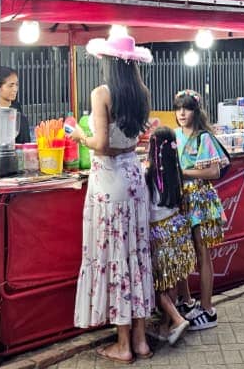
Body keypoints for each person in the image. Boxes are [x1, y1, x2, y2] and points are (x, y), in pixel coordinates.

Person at [73, 34, 155, 364]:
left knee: (118, 256)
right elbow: (134, 137)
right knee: (135, 255)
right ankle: (141, 340)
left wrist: (79, 135)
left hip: (109, 182)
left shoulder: (101, 94)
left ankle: (123, 345)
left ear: (108, 61)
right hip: (134, 179)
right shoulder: (142, 93)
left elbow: (102, 143)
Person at [173, 88, 228, 331]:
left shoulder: (203, 138)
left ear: (196, 111)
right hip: (180, 200)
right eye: (178, 108)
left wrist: (184, 172)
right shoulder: (174, 135)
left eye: (187, 108)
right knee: (184, 254)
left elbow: (214, 172)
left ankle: (208, 309)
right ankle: (186, 302)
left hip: (200, 199)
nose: (182, 113)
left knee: (202, 253)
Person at [144, 126, 194, 347]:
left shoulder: (149, 176)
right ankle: (165, 327)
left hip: (159, 234)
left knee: (157, 284)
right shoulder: (176, 171)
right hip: (177, 232)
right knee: (170, 279)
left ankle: (176, 318)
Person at [0, 67, 33, 144]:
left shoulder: (21, 118)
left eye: (16, 85)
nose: (15, 89)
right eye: (10, 85)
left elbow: (26, 144)